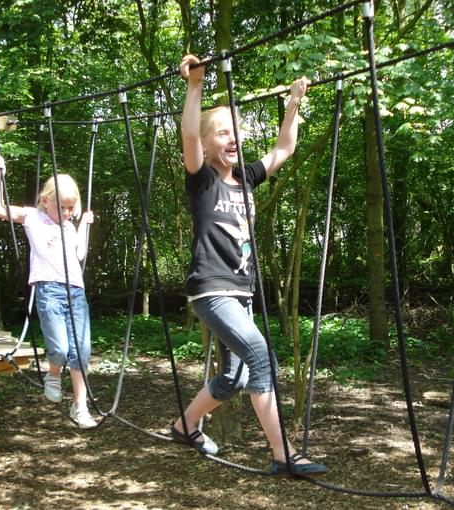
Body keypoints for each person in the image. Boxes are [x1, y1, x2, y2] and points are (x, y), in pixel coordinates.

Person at [170, 54, 326, 477]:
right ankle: (283, 455)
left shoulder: (248, 177)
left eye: (236, 132)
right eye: (222, 133)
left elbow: (284, 148)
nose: (232, 139)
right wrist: (195, 87)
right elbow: (187, 132)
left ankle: (185, 425)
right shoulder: (202, 180)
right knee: (261, 357)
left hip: (241, 295)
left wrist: (294, 102)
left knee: (235, 379)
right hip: (212, 290)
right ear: (206, 144)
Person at [0, 155, 97, 429]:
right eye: (62, 207)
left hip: (75, 291)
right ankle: (53, 374)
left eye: (72, 208)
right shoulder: (33, 217)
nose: (68, 213)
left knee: (81, 351)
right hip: (49, 290)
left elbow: (80, 254)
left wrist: (83, 224)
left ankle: (80, 406)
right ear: (45, 200)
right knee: (59, 347)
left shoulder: (70, 225)